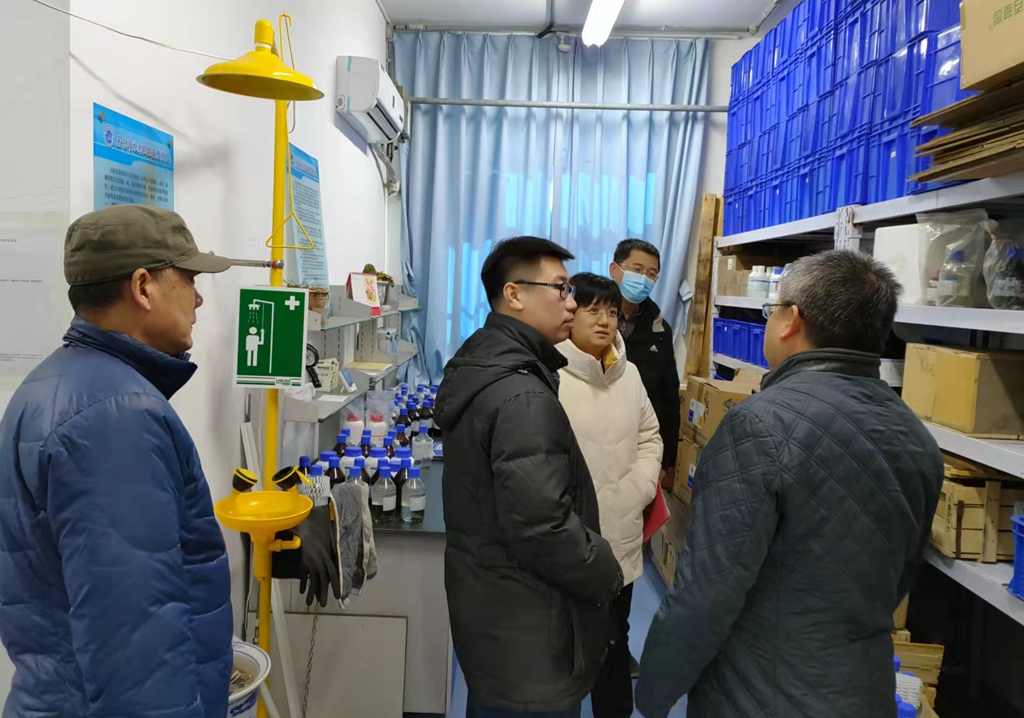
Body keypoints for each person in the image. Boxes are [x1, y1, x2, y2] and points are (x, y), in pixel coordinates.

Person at [635, 251, 944, 718]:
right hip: (864, 687)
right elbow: (900, 575)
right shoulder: (916, 435)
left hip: (759, 692)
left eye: (771, 309)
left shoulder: (759, 426)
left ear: (790, 320)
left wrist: (654, 692)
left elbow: (707, 593)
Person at [0, 205, 235, 718]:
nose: (198, 298)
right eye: (189, 279)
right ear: (143, 287)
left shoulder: (58, 384)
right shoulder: (114, 418)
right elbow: (137, 646)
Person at [434, 237, 623, 718]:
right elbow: (543, 526)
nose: (572, 303)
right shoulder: (522, 395)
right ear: (514, 294)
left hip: (495, 614)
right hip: (531, 631)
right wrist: (605, 570)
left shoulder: (487, 362)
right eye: (560, 288)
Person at [555, 273, 662, 718]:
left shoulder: (629, 373)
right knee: (560, 653)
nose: (604, 321)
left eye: (612, 312)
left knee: (613, 645)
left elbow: (650, 436)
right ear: (570, 312)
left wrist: (639, 487)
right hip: (564, 542)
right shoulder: (549, 373)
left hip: (621, 534)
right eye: (593, 309)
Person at [609, 240, 681, 490]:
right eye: (637, 270)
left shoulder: (659, 330)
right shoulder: (585, 315)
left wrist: (666, 460)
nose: (643, 279)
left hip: (638, 441)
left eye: (651, 274)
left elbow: (668, 396)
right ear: (614, 269)